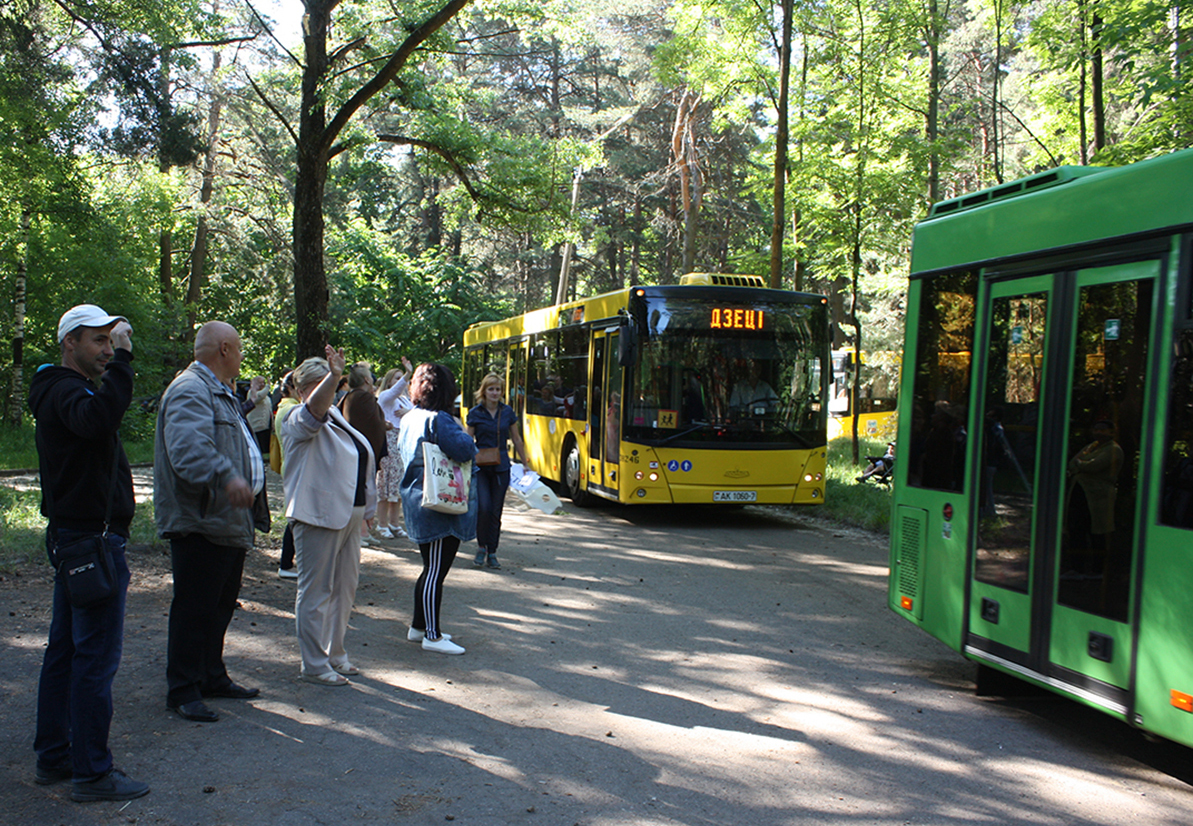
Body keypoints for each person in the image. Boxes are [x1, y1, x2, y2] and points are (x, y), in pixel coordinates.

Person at [28, 304, 149, 802]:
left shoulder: (61, 390)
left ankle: (56, 755)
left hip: (80, 539)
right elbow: (97, 420)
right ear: (69, 343)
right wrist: (123, 360)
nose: (105, 349)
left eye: (109, 340)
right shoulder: (64, 391)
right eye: (96, 341)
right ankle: (92, 772)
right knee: (92, 659)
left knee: (66, 652)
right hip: (89, 544)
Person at [155, 321, 267, 723]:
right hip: (201, 520)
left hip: (225, 520)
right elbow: (188, 451)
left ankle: (211, 675)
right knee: (194, 608)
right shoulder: (190, 389)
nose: (240, 356)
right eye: (238, 349)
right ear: (224, 349)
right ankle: (182, 688)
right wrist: (228, 476)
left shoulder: (220, 392)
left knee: (218, 605)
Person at [279, 348, 377, 685]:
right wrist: (334, 377)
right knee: (316, 591)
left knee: (344, 589)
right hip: (317, 516)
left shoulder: (335, 415)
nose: (332, 390)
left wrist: (369, 509)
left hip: (349, 515)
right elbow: (311, 417)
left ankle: (335, 653)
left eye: (333, 383)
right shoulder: (294, 417)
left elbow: (360, 460)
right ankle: (314, 664)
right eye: (323, 383)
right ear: (304, 388)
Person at [399, 363, 477, 655]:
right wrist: (467, 437)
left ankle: (419, 625)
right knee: (436, 570)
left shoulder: (411, 417)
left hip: (418, 499)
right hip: (439, 503)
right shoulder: (440, 420)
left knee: (430, 568)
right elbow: (465, 450)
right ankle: (432, 635)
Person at [466, 373, 528, 570]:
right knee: (483, 508)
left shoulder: (507, 412)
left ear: (502, 392)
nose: (495, 393)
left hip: (502, 467)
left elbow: (517, 439)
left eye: (498, 389)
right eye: (491, 389)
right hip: (481, 467)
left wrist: (525, 463)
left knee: (495, 512)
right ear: (484, 391)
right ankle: (481, 547)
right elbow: (467, 441)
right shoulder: (475, 413)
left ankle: (492, 552)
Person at [338, 362, 388, 547]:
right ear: (367, 379)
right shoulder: (362, 398)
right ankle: (360, 531)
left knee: (364, 491)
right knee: (361, 491)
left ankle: (364, 530)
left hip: (358, 454)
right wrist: (384, 426)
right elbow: (371, 426)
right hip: (360, 456)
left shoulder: (353, 397)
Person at [376, 360, 414, 539]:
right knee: (384, 484)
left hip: (402, 443)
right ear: (389, 381)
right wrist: (407, 374)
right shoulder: (385, 396)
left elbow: (417, 412)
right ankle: (381, 524)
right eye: (397, 378)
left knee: (398, 485)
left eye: (403, 378)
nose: (403, 382)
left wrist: (408, 412)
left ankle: (394, 523)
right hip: (388, 442)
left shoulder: (405, 400)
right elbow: (395, 391)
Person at [274, 372, 301, 579]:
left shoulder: (285, 407)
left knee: (294, 516)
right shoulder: (291, 409)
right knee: (295, 517)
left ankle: (287, 562)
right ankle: (286, 562)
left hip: (290, 466)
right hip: (295, 467)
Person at [244, 375, 272, 466]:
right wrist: (268, 386)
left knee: (265, 448)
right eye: (260, 383)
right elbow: (259, 397)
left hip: (265, 426)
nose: (262, 385)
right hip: (256, 426)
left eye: (263, 383)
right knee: (258, 447)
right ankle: (260, 464)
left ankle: (265, 464)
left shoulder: (266, 396)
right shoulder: (252, 393)